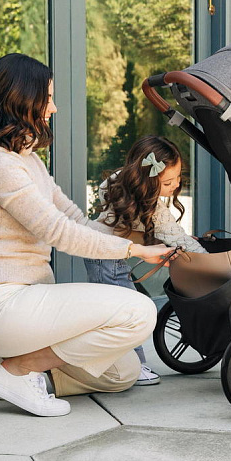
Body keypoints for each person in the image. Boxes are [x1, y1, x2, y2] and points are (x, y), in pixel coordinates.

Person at [0, 53, 174, 417]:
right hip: (1, 303)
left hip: (30, 301)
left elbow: (74, 218)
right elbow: (59, 232)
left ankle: (3, 365)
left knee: (122, 372)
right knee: (139, 311)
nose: (54, 108)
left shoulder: (27, 159)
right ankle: (18, 369)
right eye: (47, 98)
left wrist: (139, 235)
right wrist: (132, 251)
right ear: (22, 99)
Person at [85, 135, 208, 385]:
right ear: (147, 180)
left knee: (116, 309)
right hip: (106, 256)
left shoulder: (118, 182)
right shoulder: (155, 210)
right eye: (168, 182)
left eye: (178, 178)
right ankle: (135, 365)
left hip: (109, 253)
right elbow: (178, 238)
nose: (175, 186)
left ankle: (115, 363)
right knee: (126, 310)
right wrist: (209, 260)